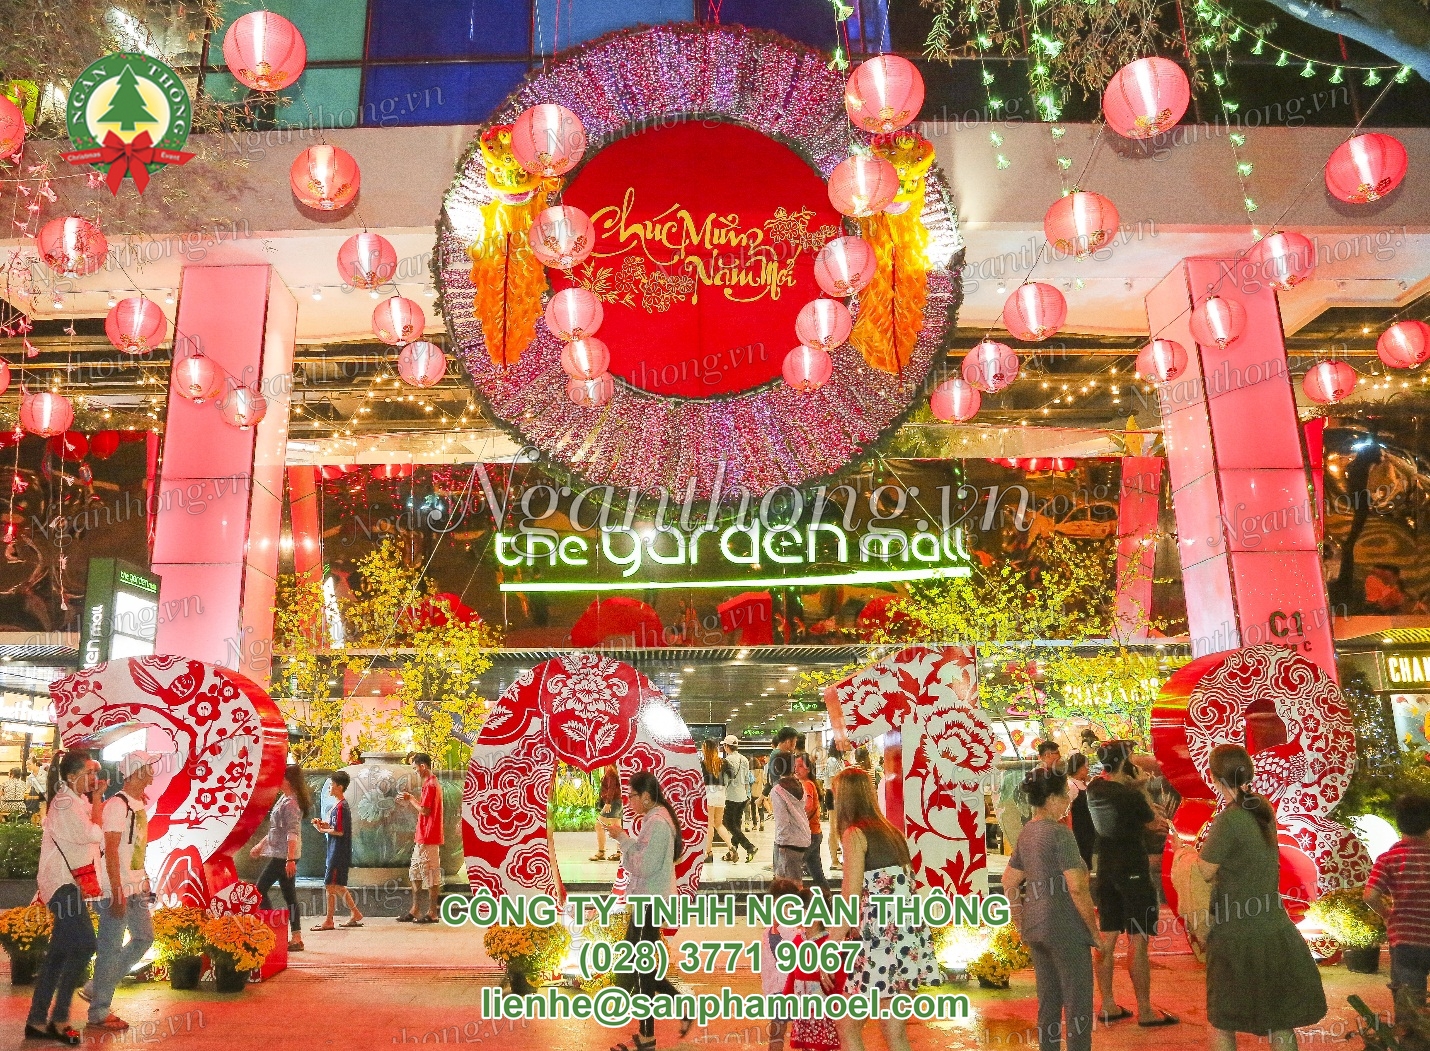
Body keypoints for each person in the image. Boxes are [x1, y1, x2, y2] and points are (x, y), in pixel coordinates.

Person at [1198, 745, 1326, 1050]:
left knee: (1223, 1022)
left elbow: (1205, 870)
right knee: (1279, 1021)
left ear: (1214, 778)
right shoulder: (1261, 808)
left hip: (1236, 935)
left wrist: (1184, 853)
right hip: (1274, 929)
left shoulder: (1229, 819)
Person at [827, 767, 940, 1051]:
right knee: (895, 1032)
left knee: (847, 1026)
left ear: (845, 798)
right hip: (909, 940)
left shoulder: (854, 834)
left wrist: (828, 948)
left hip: (879, 944)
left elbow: (850, 898)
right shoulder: (892, 832)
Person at [1004, 769, 1099, 1051]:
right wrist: (1094, 932)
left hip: (1036, 927)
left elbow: (1009, 881)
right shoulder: (1060, 834)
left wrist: (1019, 920)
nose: (1069, 801)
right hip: (1065, 928)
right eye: (1065, 795)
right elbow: (1077, 887)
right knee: (1078, 1006)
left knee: (1048, 1004)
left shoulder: (1028, 832)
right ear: (1053, 798)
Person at [1086, 741, 1175, 1026]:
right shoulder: (1131, 796)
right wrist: (1143, 788)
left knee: (1107, 936)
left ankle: (1107, 1004)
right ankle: (1145, 1010)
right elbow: (1154, 822)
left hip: (1105, 870)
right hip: (1133, 870)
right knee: (1138, 938)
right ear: (1125, 763)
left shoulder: (1093, 789)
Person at [602, 771, 691, 1051]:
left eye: (632, 796)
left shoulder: (658, 823)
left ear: (647, 797)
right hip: (647, 899)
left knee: (640, 964)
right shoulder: (655, 818)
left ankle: (648, 1035)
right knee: (638, 963)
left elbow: (644, 866)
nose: (629, 801)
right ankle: (677, 1007)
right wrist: (625, 840)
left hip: (650, 901)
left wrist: (623, 839)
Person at [26, 750, 104, 1046]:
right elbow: (92, 834)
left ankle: (36, 1020)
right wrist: (98, 800)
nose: (94, 778)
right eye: (89, 772)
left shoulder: (75, 801)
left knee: (58, 955)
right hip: (61, 885)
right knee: (85, 945)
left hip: (67, 885)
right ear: (71, 776)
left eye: (95, 772)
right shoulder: (66, 804)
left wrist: (95, 799)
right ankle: (59, 1019)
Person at [83, 752, 158, 1033]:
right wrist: (116, 890)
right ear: (137, 771)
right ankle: (99, 1011)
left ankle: (96, 987)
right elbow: (111, 850)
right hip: (117, 888)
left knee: (144, 938)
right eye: (149, 767)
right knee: (110, 948)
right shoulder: (118, 805)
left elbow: (134, 848)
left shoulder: (136, 804)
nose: (153, 772)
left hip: (134, 887)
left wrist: (143, 878)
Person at [1365, 793, 1430, 1023]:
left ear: (1399, 821)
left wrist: (1387, 914)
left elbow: (1370, 895)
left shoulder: (1389, 859)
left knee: (1409, 1006)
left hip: (1405, 940)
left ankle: (1412, 1038)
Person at [252, 764, 310, 951]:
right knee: (289, 895)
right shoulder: (285, 799)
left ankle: (273, 930)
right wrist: (261, 845)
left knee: (259, 890)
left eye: (281, 777)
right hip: (282, 855)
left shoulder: (291, 804)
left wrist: (290, 859)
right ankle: (296, 937)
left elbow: (292, 833)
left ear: (289, 781)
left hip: (283, 856)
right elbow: (276, 829)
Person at [310, 770, 364, 931]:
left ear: (339, 787)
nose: (329, 788)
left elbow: (339, 831)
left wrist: (322, 830)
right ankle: (355, 913)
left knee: (330, 885)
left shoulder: (341, 807)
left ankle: (329, 920)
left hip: (337, 852)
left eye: (332, 785)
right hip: (337, 850)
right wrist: (324, 825)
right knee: (338, 885)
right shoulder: (339, 806)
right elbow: (336, 826)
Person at [397, 752, 443, 923]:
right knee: (415, 872)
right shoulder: (429, 784)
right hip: (422, 836)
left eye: (415, 768)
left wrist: (410, 799)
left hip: (429, 836)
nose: (415, 771)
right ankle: (415, 909)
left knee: (430, 873)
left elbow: (425, 810)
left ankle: (432, 912)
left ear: (423, 766)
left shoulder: (430, 785)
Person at [762, 878, 805, 1051]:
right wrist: (768, 993)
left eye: (786, 905)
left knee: (804, 1036)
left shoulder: (800, 933)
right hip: (776, 992)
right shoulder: (767, 932)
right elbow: (765, 968)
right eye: (775, 905)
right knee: (776, 1034)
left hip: (800, 992)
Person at [771, 753, 811, 881]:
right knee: (791, 879)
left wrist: (781, 844)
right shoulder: (800, 786)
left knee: (788, 882)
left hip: (788, 841)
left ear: (776, 768)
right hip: (803, 836)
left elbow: (782, 820)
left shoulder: (778, 790)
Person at [795, 755, 830, 895]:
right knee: (817, 873)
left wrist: (794, 815)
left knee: (793, 869)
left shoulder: (807, 784)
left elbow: (808, 807)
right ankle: (828, 899)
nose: (796, 769)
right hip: (814, 833)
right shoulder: (807, 783)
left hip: (809, 835)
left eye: (800, 766)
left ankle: (791, 902)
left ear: (808, 769)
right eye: (795, 766)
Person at [720, 737, 757, 863]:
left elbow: (725, 781)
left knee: (729, 824)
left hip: (731, 796)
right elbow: (747, 779)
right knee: (736, 825)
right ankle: (732, 852)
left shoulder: (727, 761)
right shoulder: (744, 759)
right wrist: (747, 795)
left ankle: (749, 847)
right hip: (743, 796)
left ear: (726, 746)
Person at [1066, 753, 1096, 867]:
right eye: (1086, 766)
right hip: (1077, 829)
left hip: (1087, 829)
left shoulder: (1083, 784)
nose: (1088, 769)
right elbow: (1067, 809)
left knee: (1087, 860)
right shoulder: (1071, 785)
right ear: (1078, 767)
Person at [592, 765, 621, 862]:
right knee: (616, 827)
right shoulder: (614, 768)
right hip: (618, 800)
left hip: (613, 802)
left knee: (599, 825)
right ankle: (619, 852)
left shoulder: (611, 770)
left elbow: (611, 787)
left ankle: (601, 852)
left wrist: (608, 803)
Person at [764, 727, 799, 798]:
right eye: (795, 742)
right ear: (788, 742)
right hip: (783, 794)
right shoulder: (781, 755)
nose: (795, 745)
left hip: (778, 792)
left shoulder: (775, 753)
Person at [750, 757, 768, 831]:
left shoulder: (750, 772)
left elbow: (750, 781)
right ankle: (762, 822)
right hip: (760, 792)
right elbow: (765, 781)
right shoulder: (761, 771)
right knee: (761, 809)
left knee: (753, 809)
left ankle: (754, 825)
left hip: (752, 793)